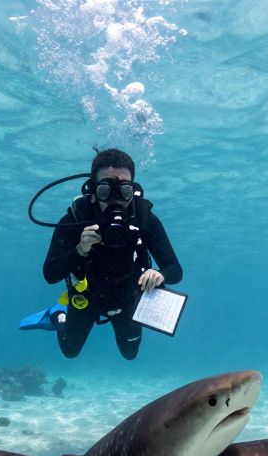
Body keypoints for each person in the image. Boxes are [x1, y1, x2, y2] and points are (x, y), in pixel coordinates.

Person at [41, 149, 182, 360]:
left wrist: (159, 275)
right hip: (85, 297)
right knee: (70, 350)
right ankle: (57, 315)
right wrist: (80, 249)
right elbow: (50, 274)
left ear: (133, 190)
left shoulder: (144, 219)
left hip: (127, 297)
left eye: (124, 190)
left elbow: (175, 270)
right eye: (105, 190)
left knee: (130, 353)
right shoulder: (76, 218)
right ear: (93, 189)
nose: (115, 199)